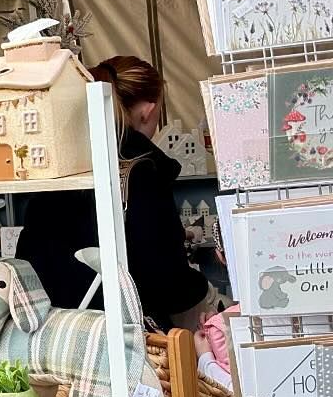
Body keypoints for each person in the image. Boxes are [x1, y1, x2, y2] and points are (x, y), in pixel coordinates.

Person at [16, 55, 213, 330]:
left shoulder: (59, 160)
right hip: (124, 334)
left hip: (52, 328)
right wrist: (200, 287)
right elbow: (166, 282)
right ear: (148, 109)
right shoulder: (144, 169)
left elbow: (29, 257)